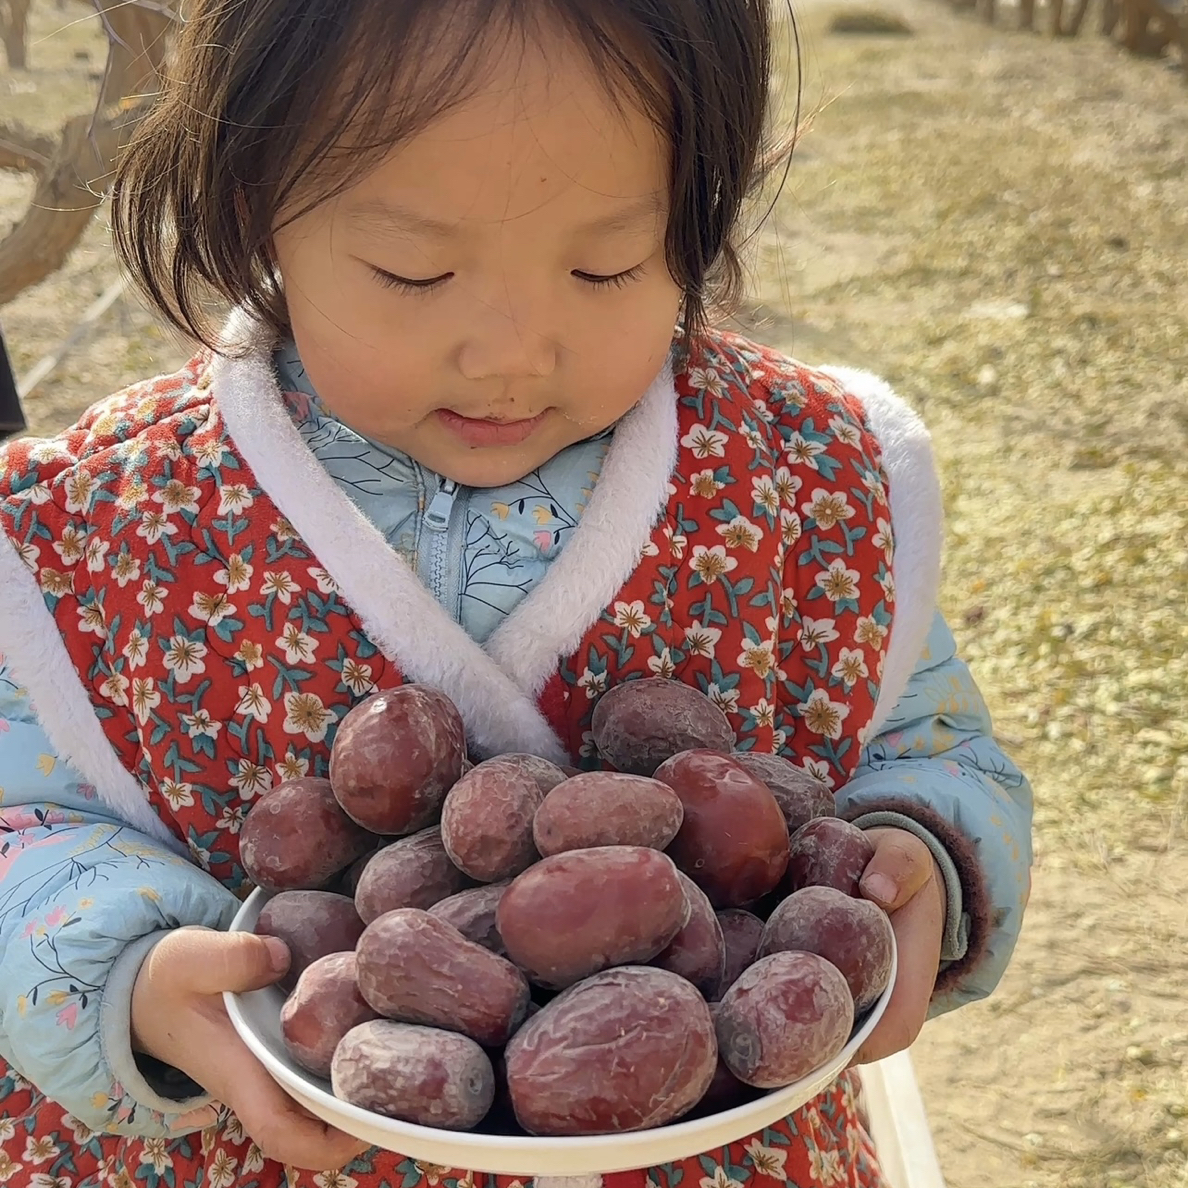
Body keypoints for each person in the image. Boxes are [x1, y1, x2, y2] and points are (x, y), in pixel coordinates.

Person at [0, 0, 1033, 1185]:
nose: (511, 352)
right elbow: (22, 816)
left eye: (606, 264)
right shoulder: (116, 524)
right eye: (414, 269)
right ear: (255, 206)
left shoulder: (800, 486)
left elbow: (934, 742)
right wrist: (123, 978)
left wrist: (921, 861)